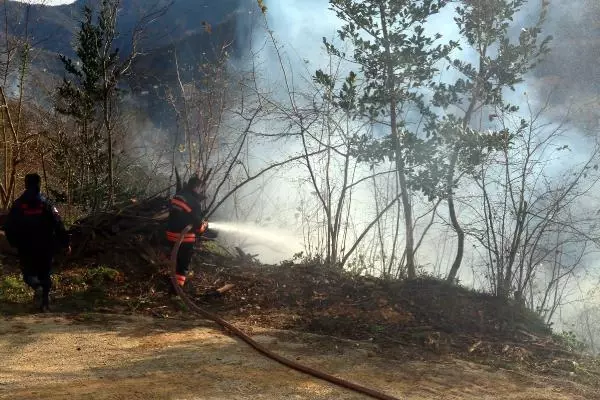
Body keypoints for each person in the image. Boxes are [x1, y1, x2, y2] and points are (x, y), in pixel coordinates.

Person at [4, 173, 71, 312]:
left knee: (28, 274)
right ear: (39, 185)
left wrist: (13, 243)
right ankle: (44, 304)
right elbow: (58, 224)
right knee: (45, 274)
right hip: (46, 245)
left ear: (26, 185)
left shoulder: (18, 204)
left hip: (25, 246)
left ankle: (37, 287)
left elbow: (9, 226)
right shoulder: (47, 204)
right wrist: (65, 243)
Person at [165, 175, 209, 289]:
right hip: (184, 238)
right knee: (182, 265)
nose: (202, 191)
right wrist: (204, 226)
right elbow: (198, 227)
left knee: (175, 259)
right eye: (201, 188)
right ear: (195, 187)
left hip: (170, 235)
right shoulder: (194, 202)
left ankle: (172, 280)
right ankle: (177, 289)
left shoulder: (178, 196)